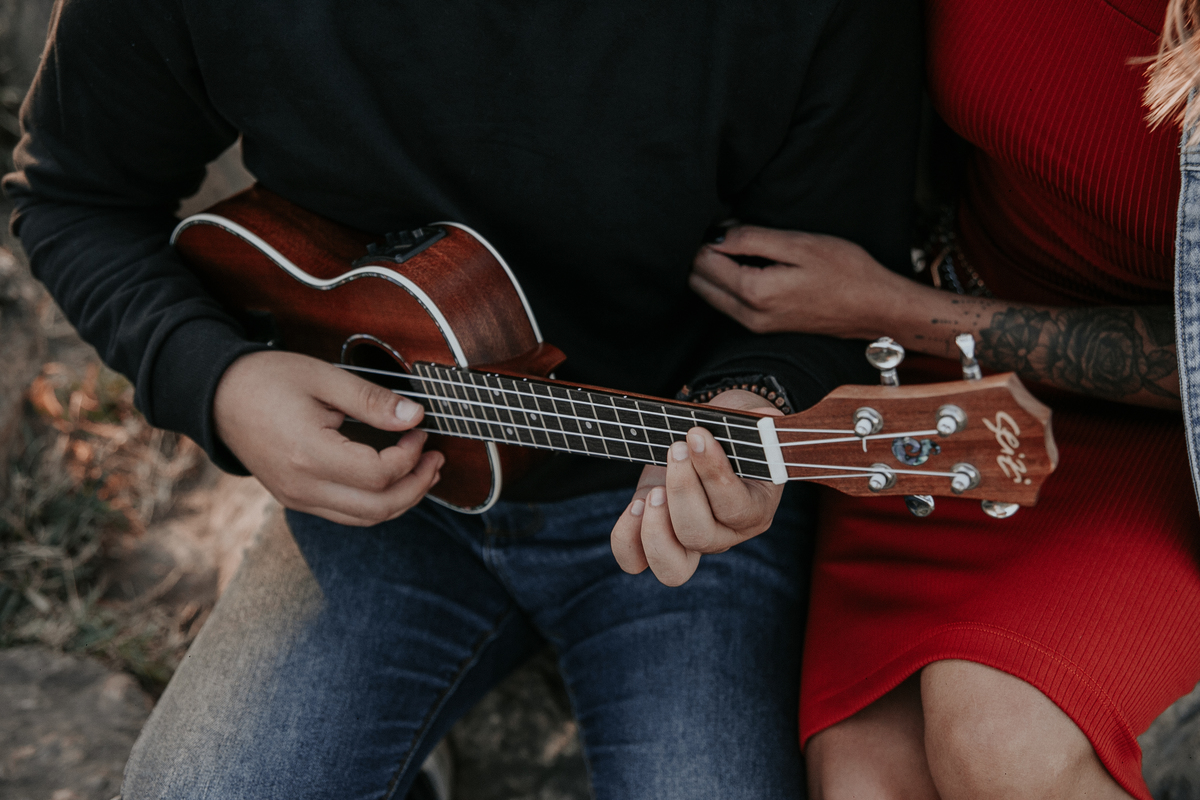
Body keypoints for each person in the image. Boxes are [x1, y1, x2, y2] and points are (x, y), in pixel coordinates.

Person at [3, 0, 923, 796]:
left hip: (675, 509)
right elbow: (73, 194)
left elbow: (839, 292)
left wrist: (757, 399)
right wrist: (221, 382)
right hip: (389, 509)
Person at [689, 1, 1200, 798]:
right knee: (864, 784)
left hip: (1166, 439)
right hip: (940, 390)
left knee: (1000, 742)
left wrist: (890, 308)